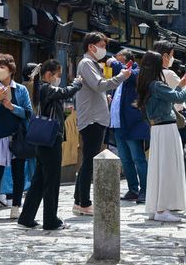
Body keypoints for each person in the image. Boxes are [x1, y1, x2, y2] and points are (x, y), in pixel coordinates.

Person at [137, 51, 186, 222]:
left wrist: (180, 84)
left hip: (158, 130)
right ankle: (162, 208)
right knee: (167, 169)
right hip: (167, 129)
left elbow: (170, 98)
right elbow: (179, 97)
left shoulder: (149, 84)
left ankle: (156, 207)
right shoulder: (157, 85)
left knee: (159, 168)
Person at [18, 60, 82, 230]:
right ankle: (50, 220)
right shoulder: (46, 88)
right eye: (58, 75)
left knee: (39, 180)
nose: (59, 78)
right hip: (50, 140)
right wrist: (76, 84)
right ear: (49, 74)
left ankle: (26, 217)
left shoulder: (39, 88)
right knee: (52, 181)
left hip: (42, 140)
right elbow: (64, 92)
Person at [74, 32, 130, 215]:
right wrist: (121, 76)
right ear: (92, 46)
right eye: (102, 45)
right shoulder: (87, 63)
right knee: (90, 161)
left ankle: (78, 201)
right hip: (92, 119)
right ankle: (84, 203)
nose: (104, 49)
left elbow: (95, 88)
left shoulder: (91, 64)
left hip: (95, 117)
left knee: (88, 160)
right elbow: (99, 85)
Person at [0, 54, 33, 220]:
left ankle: (16, 205)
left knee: (18, 171)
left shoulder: (20, 89)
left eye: (2, 67)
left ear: (11, 70)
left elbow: (28, 112)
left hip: (17, 136)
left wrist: (12, 107)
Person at [108, 49, 149, 204]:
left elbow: (131, 76)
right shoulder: (117, 77)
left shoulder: (137, 72)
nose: (115, 64)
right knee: (125, 159)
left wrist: (115, 64)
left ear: (127, 61)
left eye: (119, 60)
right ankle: (133, 189)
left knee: (138, 157)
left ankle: (145, 190)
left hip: (133, 124)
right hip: (118, 123)